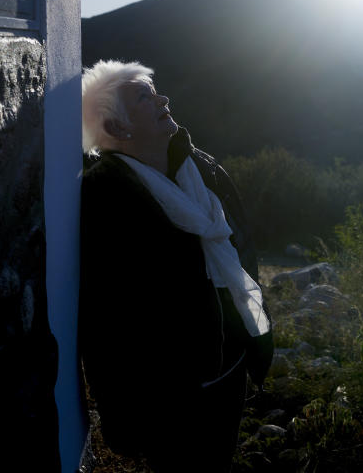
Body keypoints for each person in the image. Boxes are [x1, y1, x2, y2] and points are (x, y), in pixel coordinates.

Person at [79, 59, 272, 472]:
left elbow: (243, 252)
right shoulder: (107, 197)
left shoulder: (200, 167)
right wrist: (125, 413)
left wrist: (252, 347)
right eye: (143, 97)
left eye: (154, 89)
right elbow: (106, 315)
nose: (162, 98)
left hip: (230, 368)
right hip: (171, 397)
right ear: (116, 128)